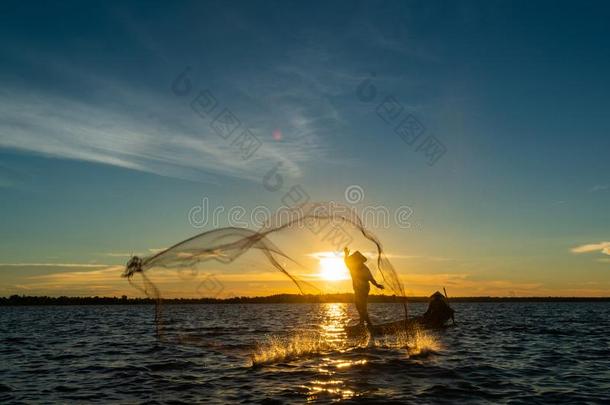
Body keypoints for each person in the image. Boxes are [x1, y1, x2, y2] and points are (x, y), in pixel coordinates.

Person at [343, 247, 384, 330]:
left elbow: (371, 279)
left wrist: (377, 285)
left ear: (360, 260)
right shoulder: (352, 267)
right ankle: (364, 324)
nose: (356, 261)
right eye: (355, 260)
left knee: (361, 306)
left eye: (357, 260)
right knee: (359, 306)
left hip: (364, 288)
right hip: (357, 289)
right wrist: (346, 254)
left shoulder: (364, 269)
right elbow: (346, 261)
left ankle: (367, 324)